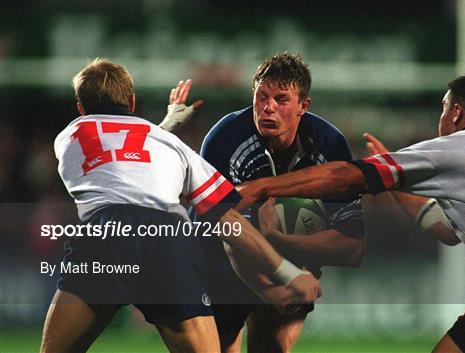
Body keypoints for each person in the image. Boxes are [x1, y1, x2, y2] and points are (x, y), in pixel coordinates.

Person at [237, 72, 465, 353]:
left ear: (457, 112)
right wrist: (395, 185)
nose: (442, 118)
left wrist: (265, 186)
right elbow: (445, 229)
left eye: (444, 109)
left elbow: (345, 176)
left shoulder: (459, 146)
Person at [42, 58, 321, 353]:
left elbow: (117, 150)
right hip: (170, 238)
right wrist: (290, 274)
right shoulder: (173, 147)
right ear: (132, 101)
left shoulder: (70, 134)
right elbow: (228, 220)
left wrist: (164, 127)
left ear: (81, 109)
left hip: (108, 233)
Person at [195, 52, 365, 353]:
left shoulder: (329, 146)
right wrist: (267, 288)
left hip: (294, 261)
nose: (267, 108)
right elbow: (227, 231)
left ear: (303, 106)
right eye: (261, 97)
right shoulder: (225, 140)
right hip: (219, 262)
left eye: (281, 99)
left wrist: (280, 241)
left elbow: (352, 247)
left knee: (271, 347)